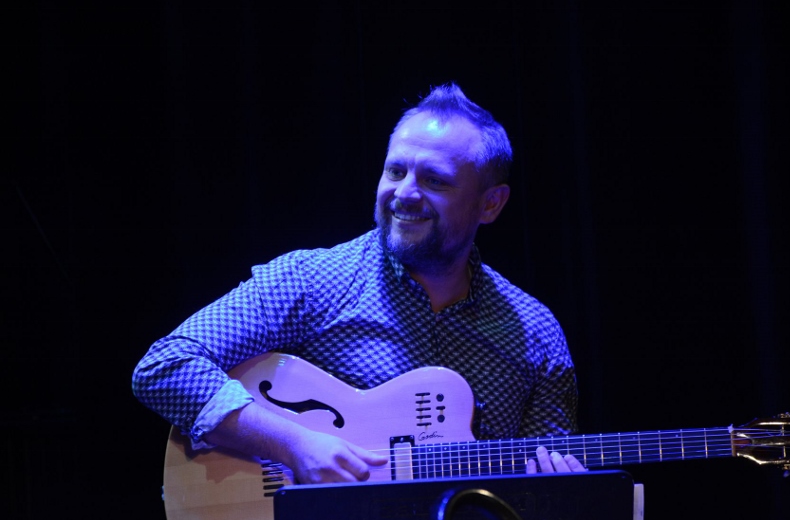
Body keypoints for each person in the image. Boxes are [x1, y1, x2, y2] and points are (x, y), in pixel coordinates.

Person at [132, 83, 585, 484]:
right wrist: (293, 445)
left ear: (491, 204)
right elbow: (165, 366)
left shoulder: (535, 334)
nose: (404, 193)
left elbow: (540, 491)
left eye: (434, 180)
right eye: (396, 171)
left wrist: (560, 495)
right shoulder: (313, 281)